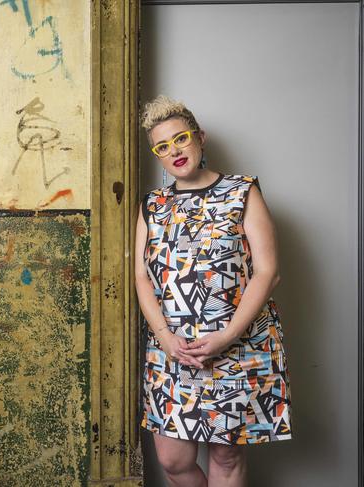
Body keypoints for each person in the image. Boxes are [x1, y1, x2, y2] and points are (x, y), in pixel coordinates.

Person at [135, 95, 292, 487]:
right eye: (163, 146)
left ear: (199, 138)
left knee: (225, 454)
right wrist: (166, 339)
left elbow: (267, 272)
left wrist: (227, 336)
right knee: (173, 460)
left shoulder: (242, 191)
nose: (174, 150)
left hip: (236, 346)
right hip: (173, 349)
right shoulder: (152, 205)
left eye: (181, 138)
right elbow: (141, 277)